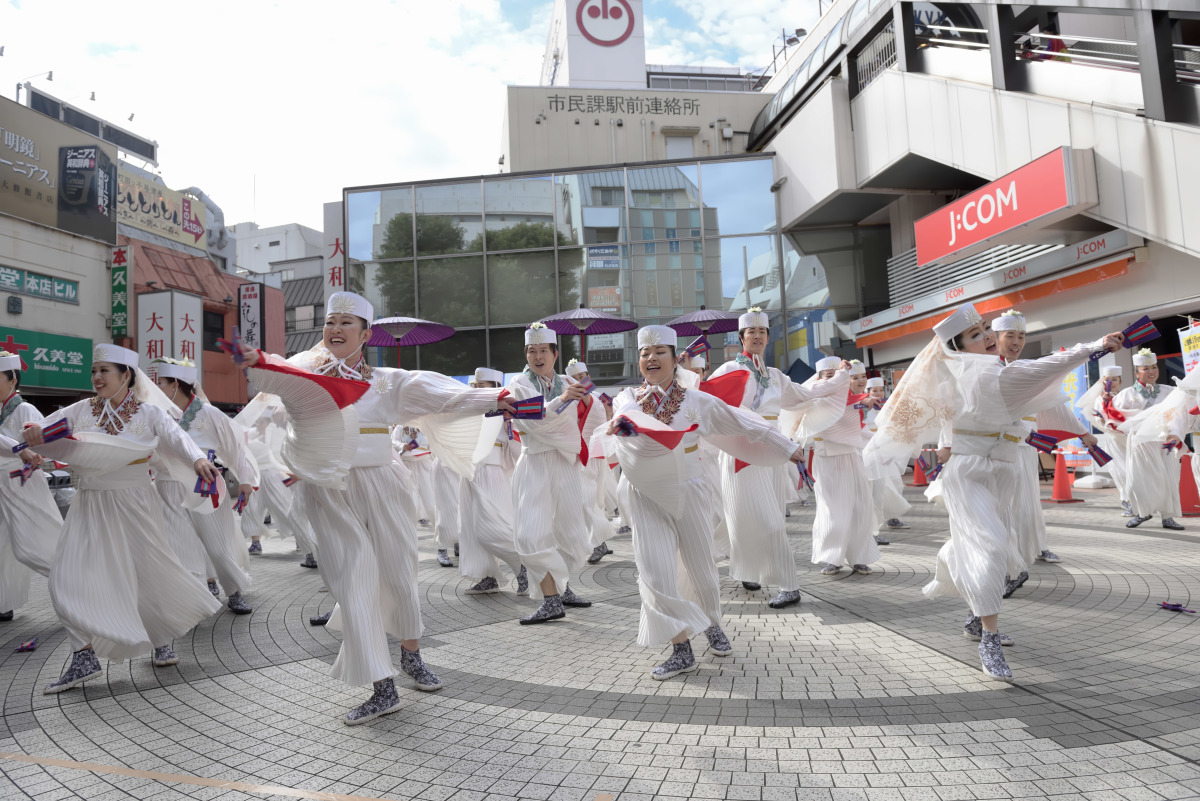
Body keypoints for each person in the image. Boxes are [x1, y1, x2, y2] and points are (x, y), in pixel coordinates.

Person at [236, 291, 514, 724]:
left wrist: (495, 398)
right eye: (330, 321)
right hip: (328, 490)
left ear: (366, 334)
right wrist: (255, 359)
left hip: (383, 481)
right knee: (353, 581)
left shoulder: (387, 380)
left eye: (347, 323)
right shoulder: (303, 375)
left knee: (399, 572)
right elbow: (271, 375)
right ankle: (381, 686)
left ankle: (411, 655)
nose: (335, 329)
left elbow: (444, 396)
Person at [864, 304, 1122, 681]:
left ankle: (972, 611)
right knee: (992, 547)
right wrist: (1095, 346)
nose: (987, 337)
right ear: (958, 348)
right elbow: (1047, 366)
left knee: (980, 545)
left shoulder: (987, 371)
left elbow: (1032, 408)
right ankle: (990, 636)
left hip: (1003, 470)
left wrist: (1052, 435)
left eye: (985, 328)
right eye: (976, 335)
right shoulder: (984, 375)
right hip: (968, 472)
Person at [607, 326, 810, 679]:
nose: (651, 358)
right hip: (647, 495)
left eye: (659, 352)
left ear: (675, 359)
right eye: (645, 353)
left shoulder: (696, 401)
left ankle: (713, 622)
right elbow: (621, 425)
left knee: (700, 566)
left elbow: (746, 422)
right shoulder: (625, 398)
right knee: (654, 573)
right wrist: (620, 429)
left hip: (690, 489)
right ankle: (681, 647)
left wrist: (789, 448)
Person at [24, 344, 222, 692]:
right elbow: (43, 429)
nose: (97, 377)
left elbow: (178, 438)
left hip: (135, 500)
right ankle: (83, 655)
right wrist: (32, 434)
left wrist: (197, 461)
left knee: (147, 572)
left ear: (126, 375)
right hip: (90, 502)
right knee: (63, 577)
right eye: (94, 371)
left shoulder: (149, 413)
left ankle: (160, 637)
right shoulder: (82, 409)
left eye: (105, 371)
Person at [707, 308, 851, 608]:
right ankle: (757, 573)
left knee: (770, 518)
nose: (757, 336)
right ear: (741, 337)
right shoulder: (727, 371)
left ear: (768, 338)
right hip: (740, 451)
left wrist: (840, 378)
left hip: (772, 452)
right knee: (741, 517)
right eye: (752, 332)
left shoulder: (775, 376)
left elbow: (805, 394)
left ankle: (783, 581)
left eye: (762, 332)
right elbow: (712, 406)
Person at [506, 322, 594, 624]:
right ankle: (551, 599)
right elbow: (531, 421)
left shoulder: (568, 380)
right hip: (535, 463)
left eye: (544, 350)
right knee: (531, 534)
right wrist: (563, 402)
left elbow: (584, 418)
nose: (537, 356)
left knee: (570, 531)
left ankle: (563, 586)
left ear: (555, 354)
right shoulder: (520, 382)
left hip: (564, 462)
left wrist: (578, 405)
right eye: (532, 351)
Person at [154, 358, 257, 615]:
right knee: (180, 545)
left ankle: (233, 591)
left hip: (205, 487)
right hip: (167, 487)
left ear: (175, 385)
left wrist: (245, 479)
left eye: (161, 383)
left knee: (217, 546)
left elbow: (234, 448)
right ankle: (196, 595)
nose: (156, 387)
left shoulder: (210, 413)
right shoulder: (157, 414)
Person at [0, 351, 60, 621]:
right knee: (3, 547)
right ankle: (3, 602)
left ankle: (75, 584)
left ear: (12, 379)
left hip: (21, 484)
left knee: (32, 545)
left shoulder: (24, 409)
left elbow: (44, 442)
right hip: (3, 486)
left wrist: (22, 449)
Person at [808, 359, 882, 576]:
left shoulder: (852, 400)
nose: (833, 379)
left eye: (836, 374)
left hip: (851, 457)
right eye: (828, 375)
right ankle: (832, 558)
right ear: (819, 377)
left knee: (860, 507)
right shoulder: (814, 395)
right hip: (827, 459)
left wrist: (885, 442)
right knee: (832, 511)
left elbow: (858, 430)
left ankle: (860, 557)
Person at [458, 367, 526, 595]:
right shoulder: (471, 409)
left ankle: (522, 567)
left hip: (490, 471)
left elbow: (516, 444)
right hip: (470, 471)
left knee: (492, 527)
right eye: (476, 386)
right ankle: (488, 576)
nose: (478, 390)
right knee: (470, 528)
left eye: (483, 386)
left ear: (495, 389)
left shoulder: (503, 411)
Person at [1117, 348, 1184, 530]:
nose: (1151, 371)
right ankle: (1142, 512)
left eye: (1154, 367)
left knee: (1167, 477)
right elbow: (1115, 418)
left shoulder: (1169, 391)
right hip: (1140, 443)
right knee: (1138, 479)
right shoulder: (1127, 394)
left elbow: (1179, 411)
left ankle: (1167, 517)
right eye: (1146, 368)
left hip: (1163, 441)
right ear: (1137, 372)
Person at [565, 359, 616, 566]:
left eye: (582, 377)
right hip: (579, 453)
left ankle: (599, 542)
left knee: (588, 500)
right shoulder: (570, 399)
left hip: (591, 453)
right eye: (574, 379)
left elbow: (608, 421)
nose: (579, 381)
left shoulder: (597, 398)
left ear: (588, 377)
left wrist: (609, 411)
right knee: (590, 500)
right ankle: (598, 540)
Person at [1078, 365, 1132, 515]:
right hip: (1113, 439)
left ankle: (1138, 500)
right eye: (1108, 380)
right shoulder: (1099, 401)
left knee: (1133, 470)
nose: (1111, 382)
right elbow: (1098, 419)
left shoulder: (1127, 397)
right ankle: (1126, 500)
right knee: (1120, 471)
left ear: (1120, 381)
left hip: (1128, 438)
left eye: (1114, 380)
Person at [863, 376, 910, 544]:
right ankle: (871, 532)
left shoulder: (886, 408)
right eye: (874, 391)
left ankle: (892, 518)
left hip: (885, 456)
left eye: (880, 390)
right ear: (867, 392)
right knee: (874, 494)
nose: (878, 393)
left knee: (895, 486)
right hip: (869, 457)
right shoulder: (862, 408)